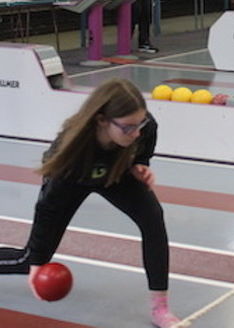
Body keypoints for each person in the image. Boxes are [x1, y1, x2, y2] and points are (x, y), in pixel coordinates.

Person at [0, 78, 181, 328]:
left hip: (115, 172)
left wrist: (141, 162)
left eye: (139, 124)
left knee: (153, 220)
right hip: (74, 178)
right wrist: (38, 263)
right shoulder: (70, 154)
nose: (136, 132)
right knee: (28, 260)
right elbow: (48, 208)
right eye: (128, 128)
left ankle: (160, 308)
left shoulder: (142, 126)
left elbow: (148, 134)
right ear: (102, 120)